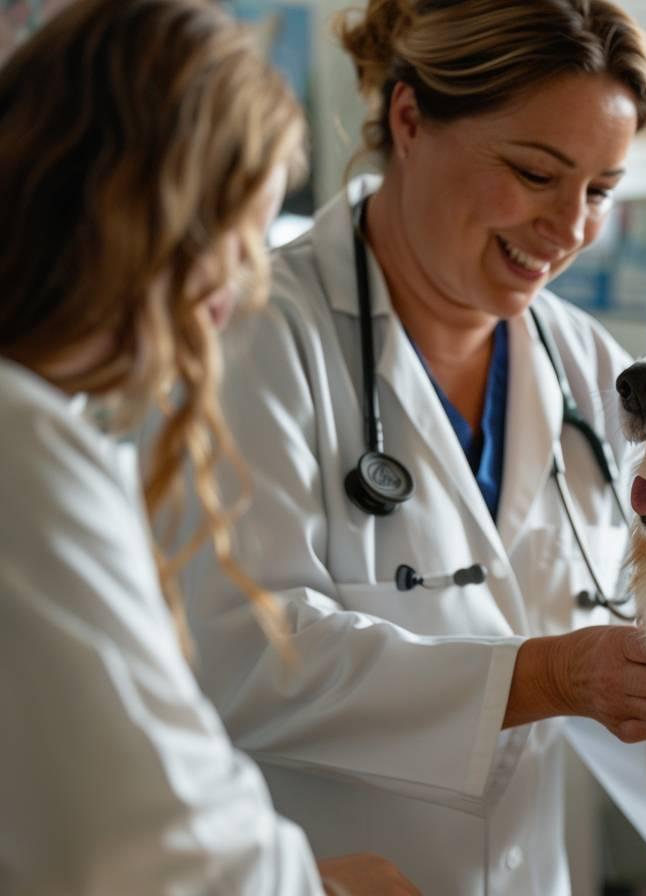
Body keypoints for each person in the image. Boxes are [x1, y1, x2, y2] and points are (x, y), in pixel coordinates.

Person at [178, 0, 646, 892]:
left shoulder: (585, 365)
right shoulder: (256, 337)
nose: (568, 228)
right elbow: (242, 657)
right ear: (409, 120)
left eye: (599, 192)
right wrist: (549, 675)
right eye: (536, 173)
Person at [0, 1, 421, 892]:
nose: (243, 282)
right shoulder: (22, 453)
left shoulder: (46, 430)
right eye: (240, 230)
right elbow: (148, 840)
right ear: (150, 211)